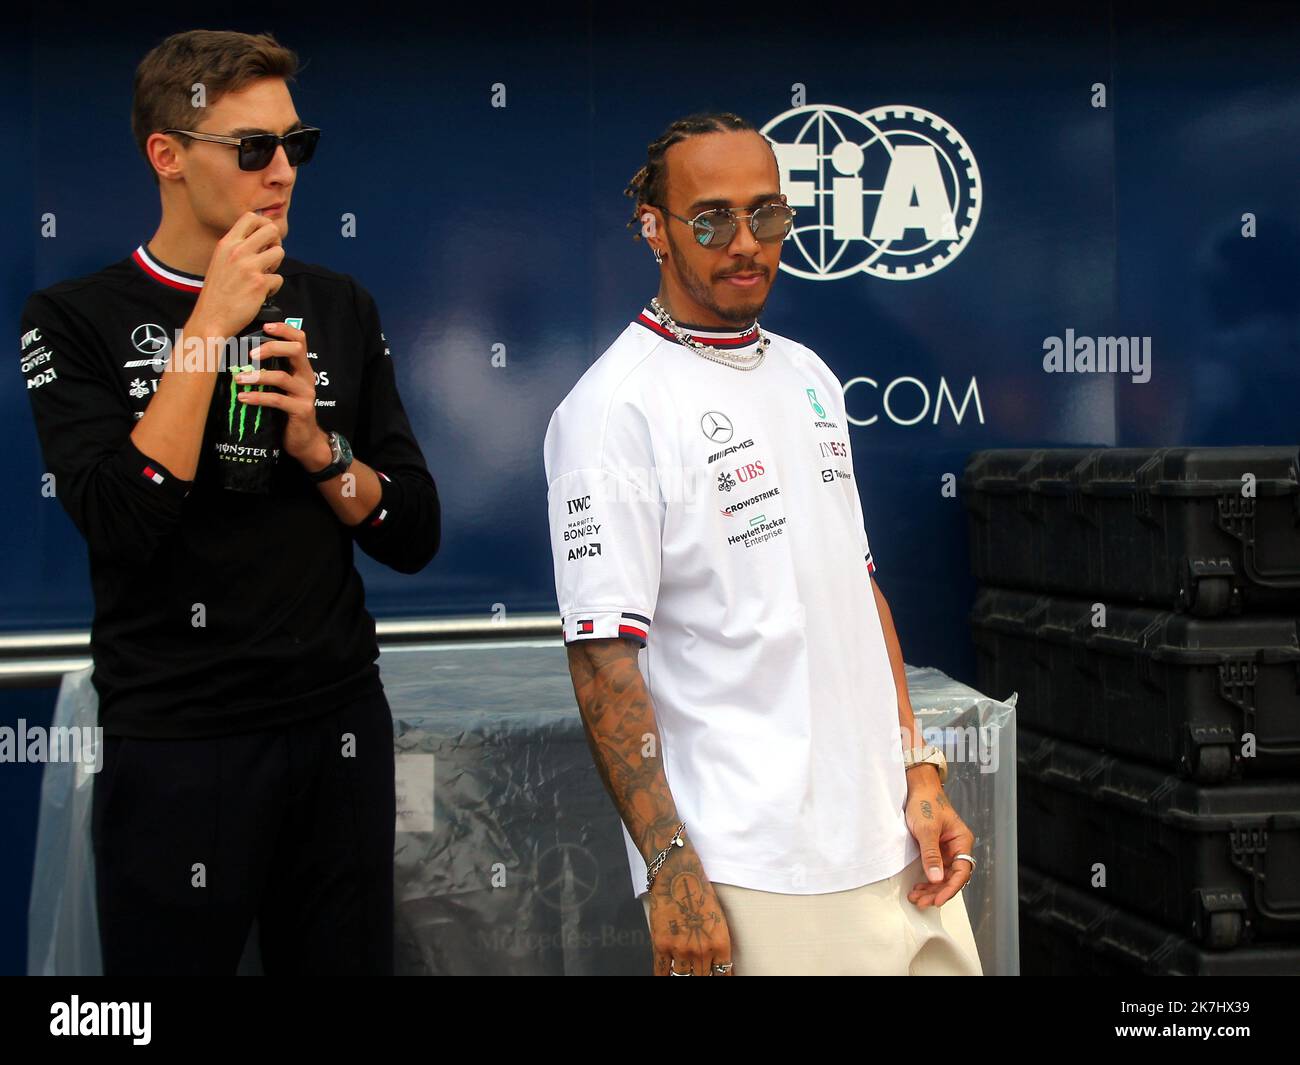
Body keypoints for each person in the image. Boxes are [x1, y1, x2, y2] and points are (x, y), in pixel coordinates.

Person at [19, 29, 440, 974]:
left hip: (335, 724)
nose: (284, 170)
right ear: (167, 155)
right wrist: (208, 327)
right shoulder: (72, 317)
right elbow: (120, 521)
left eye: (298, 144)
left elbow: (413, 530)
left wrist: (321, 449)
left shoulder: (340, 302)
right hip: (177, 740)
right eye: (254, 148)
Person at [543, 112, 983, 976]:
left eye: (767, 215)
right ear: (655, 230)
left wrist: (919, 772)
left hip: (897, 847)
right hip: (756, 871)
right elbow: (603, 662)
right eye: (710, 220)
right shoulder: (611, 411)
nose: (745, 243)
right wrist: (669, 864)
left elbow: (861, 596)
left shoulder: (810, 374)